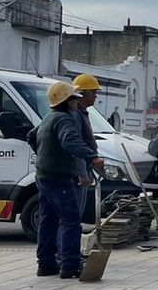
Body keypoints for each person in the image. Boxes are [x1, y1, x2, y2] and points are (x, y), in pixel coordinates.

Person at [26, 82, 105, 278]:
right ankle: (70, 265)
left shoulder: (48, 117)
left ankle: (45, 264)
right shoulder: (64, 119)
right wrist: (92, 157)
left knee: (48, 220)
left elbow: (31, 136)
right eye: (74, 98)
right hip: (59, 178)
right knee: (70, 220)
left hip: (44, 175)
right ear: (67, 101)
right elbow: (71, 141)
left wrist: (45, 155)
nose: (76, 102)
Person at [72, 73, 102, 211]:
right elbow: (76, 145)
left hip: (82, 169)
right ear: (86, 94)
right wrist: (82, 173)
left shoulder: (81, 112)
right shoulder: (75, 115)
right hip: (76, 174)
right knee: (73, 215)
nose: (96, 96)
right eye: (94, 92)